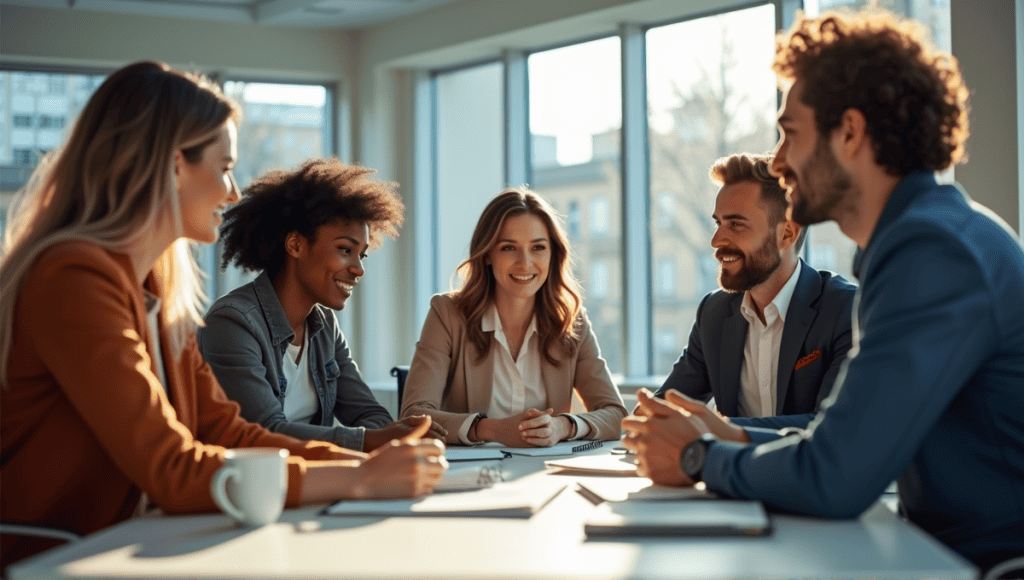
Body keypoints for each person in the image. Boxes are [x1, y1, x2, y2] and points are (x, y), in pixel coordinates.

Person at [622, 9, 1024, 570]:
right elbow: (844, 440)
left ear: (851, 133)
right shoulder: (920, 239)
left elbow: (837, 475)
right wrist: (731, 439)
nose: (780, 161)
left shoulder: (933, 254)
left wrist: (698, 456)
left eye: (790, 133)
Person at [0, 61, 445, 567]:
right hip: (54, 559)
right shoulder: (73, 278)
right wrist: (360, 477)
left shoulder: (158, 296)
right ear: (171, 165)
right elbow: (169, 465)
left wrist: (371, 463)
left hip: (133, 545)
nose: (233, 192)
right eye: (226, 167)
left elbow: (230, 434)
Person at [198, 159, 447, 452]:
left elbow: (368, 412)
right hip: (253, 489)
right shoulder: (232, 323)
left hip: (315, 480)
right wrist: (372, 439)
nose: (358, 269)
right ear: (296, 246)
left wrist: (399, 436)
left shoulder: (324, 325)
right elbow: (266, 432)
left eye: (361, 255)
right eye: (345, 250)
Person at [400, 188, 627, 446]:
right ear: (487, 253)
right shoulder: (447, 315)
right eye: (509, 248)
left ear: (553, 254)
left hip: (543, 475)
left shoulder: (571, 321)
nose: (525, 262)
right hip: (468, 476)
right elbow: (413, 416)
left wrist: (563, 426)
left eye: (538, 247)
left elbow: (616, 414)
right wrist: (492, 430)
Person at [652, 153, 855, 427]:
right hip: (728, 470)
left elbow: (832, 427)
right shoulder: (713, 313)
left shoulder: (845, 310)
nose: (716, 240)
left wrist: (722, 430)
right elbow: (665, 408)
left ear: (787, 234)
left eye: (736, 224)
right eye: (718, 223)